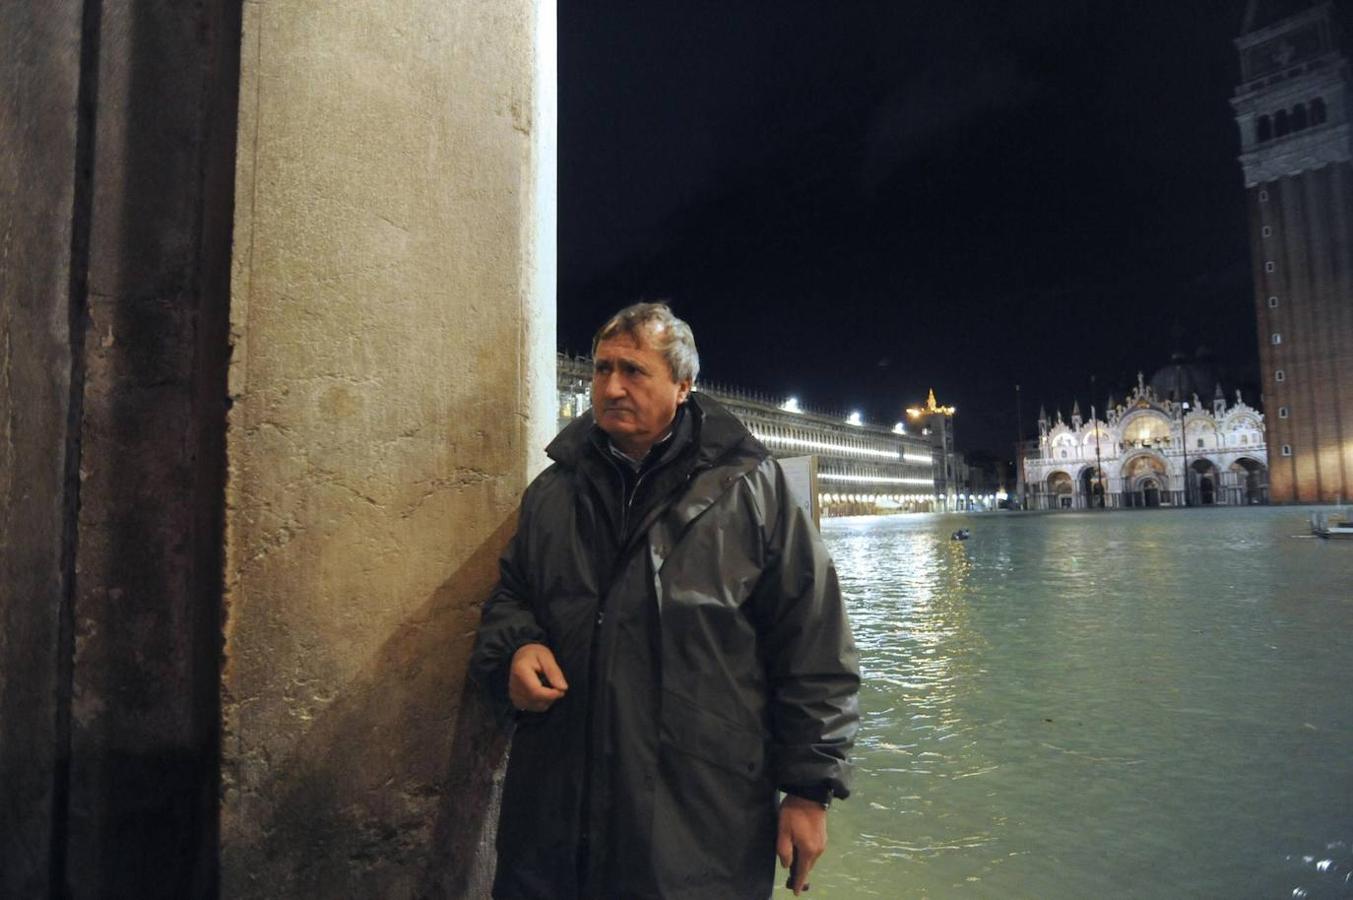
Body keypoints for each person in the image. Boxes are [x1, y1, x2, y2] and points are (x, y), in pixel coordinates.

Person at [470, 302, 860, 899]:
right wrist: (516, 647)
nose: (612, 387)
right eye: (602, 370)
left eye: (634, 371)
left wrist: (809, 790)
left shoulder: (753, 493)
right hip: (555, 822)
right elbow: (512, 594)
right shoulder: (553, 491)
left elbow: (814, 644)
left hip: (696, 825)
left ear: (683, 386)